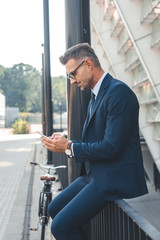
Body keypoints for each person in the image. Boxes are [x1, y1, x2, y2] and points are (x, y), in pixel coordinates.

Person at [42, 43, 148, 240]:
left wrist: (69, 147)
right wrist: (67, 143)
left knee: (61, 227)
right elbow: (97, 140)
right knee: (54, 208)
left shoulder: (118, 93)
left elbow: (112, 147)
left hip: (112, 175)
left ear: (88, 64)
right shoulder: (97, 94)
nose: (72, 81)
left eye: (72, 74)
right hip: (95, 173)